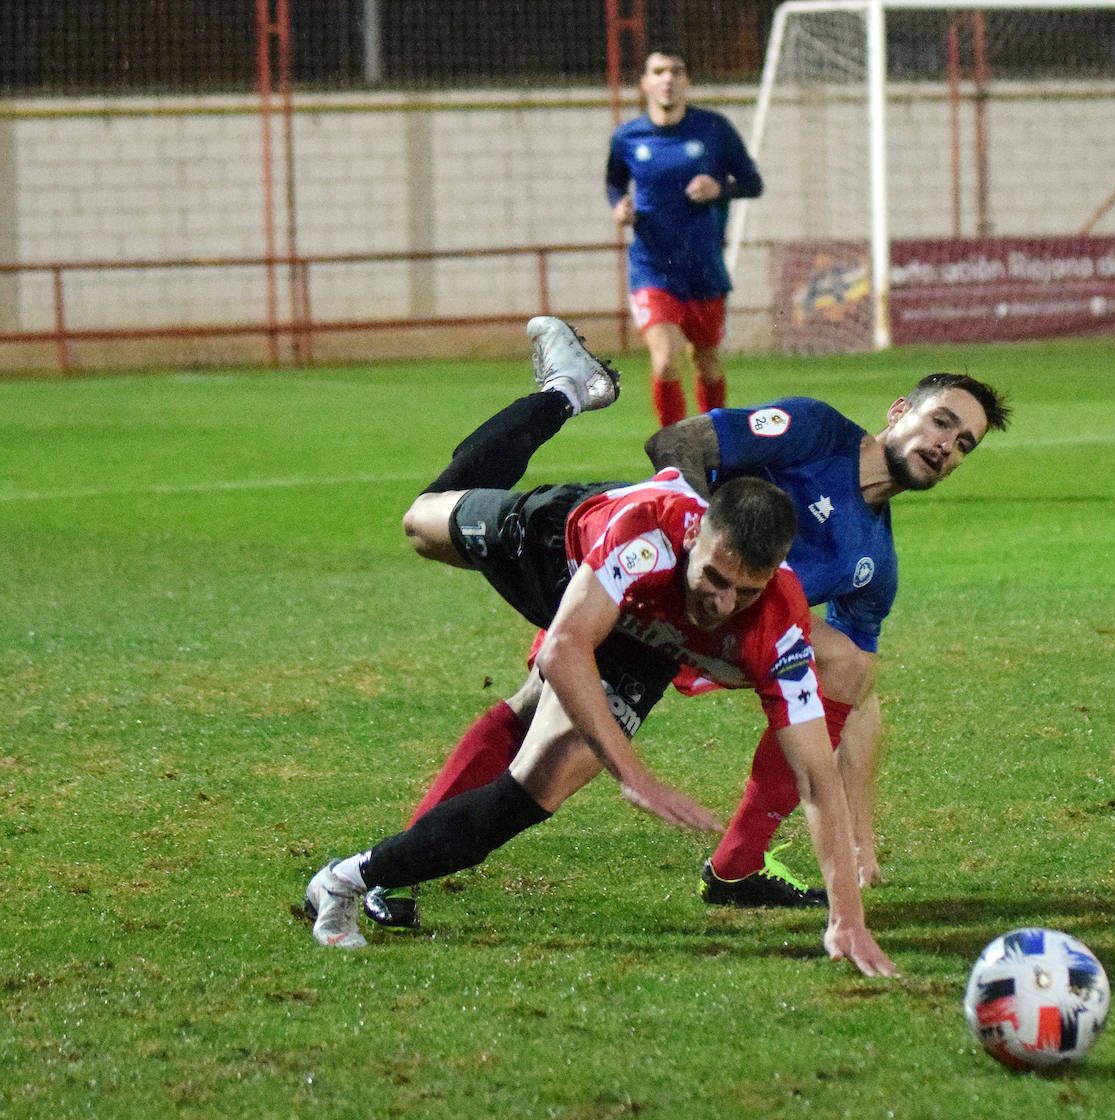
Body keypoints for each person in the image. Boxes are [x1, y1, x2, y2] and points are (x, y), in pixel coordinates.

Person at [303, 316, 897, 978]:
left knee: (540, 788)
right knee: (421, 520)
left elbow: (817, 773)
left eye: (746, 592)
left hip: (642, 637)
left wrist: (847, 918)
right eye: (715, 580)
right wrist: (634, 775)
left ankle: (348, 880)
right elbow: (564, 648)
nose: (723, 604)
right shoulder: (649, 529)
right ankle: (566, 390)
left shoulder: (780, 618)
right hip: (552, 550)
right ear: (697, 536)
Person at [381, 372, 1009, 922]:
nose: (944, 447)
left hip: (670, 637)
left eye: (962, 445)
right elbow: (675, 442)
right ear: (901, 411)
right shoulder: (817, 432)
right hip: (627, 559)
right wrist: (701, 538)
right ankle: (562, 394)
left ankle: (739, 864)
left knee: (849, 664)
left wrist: (860, 836)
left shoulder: (876, 563)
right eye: (941, 422)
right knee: (425, 531)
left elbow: (851, 698)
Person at [606, 47, 763, 428]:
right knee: (664, 358)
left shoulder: (714, 130)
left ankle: (714, 441)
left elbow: (752, 183)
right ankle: (672, 450)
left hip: (703, 268)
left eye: (676, 71)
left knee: (707, 362)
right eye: (659, 71)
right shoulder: (628, 138)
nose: (668, 79)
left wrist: (718, 188)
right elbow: (614, 182)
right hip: (652, 269)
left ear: (686, 81)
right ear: (645, 82)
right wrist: (619, 206)